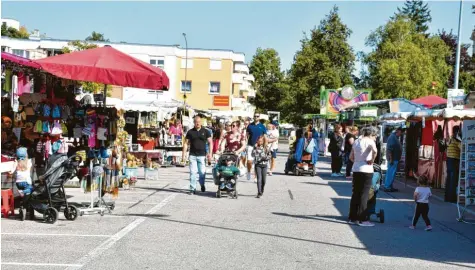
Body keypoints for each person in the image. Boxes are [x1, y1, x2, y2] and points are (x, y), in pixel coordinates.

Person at [349, 126, 378, 227]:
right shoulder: (370, 141)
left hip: (356, 169)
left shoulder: (357, 141)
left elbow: (351, 157)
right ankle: (362, 219)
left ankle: (352, 217)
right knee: (364, 194)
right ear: (371, 134)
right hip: (366, 169)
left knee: (355, 192)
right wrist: (372, 160)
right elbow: (375, 151)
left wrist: (357, 162)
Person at [182, 116, 213, 194]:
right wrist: (184, 155)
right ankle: (192, 189)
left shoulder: (206, 131)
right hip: (192, 155)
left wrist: (210, 154)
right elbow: (186, 143)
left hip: (202, 156)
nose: (197, 123)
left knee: (202, 173)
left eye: (199, 121)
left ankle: (202, 184)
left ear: (201, 122)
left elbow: (210, 142)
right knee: (193, 172)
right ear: (194, 122)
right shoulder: (190, 132)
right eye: (196, 122)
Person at [246, 113, 267, 181]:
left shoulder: (262, 126)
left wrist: (264, 147)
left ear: (259, 117)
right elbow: (247, 135)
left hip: (259, 146)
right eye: (255, 116)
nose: (256, 117)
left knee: (257, 162)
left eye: (257, 116)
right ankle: (248, 171)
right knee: (249, 161)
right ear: (253, 117)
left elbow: (265, 137)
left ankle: (255, 177)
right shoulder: (250, 126)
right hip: (250, 145)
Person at [384, 127, 404, 192]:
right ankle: (387, 186)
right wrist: (391, 159)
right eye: (401, 132)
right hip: (393, 159)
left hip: (395, 158)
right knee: (390, 172)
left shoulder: (395, 137)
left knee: (392, 173)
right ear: (398, 131)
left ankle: (389, 186)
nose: (401, 134)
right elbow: (390, 149)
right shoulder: (392, 137)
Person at [445, 125, 461, 203]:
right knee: (453, 179)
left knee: (449, 179)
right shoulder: (456, 140)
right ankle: (452, 198)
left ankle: (447, 197)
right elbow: (462, 147)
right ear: (458, 132)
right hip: (454, 160)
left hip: (449, 159)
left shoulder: (450, 139)